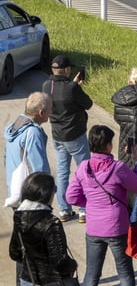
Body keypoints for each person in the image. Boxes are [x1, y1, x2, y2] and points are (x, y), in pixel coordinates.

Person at [65, 125, 137, 286]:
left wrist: (91, 202)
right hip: (117, 225)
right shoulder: (118, 168)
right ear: (108, 145)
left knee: (91, 276)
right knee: (125, 273)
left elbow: (71, 197)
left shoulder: (84, 167)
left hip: (94, 227)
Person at [9, 173, 79, 286]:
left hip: (27, 283)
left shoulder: (19, 217)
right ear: (46, 194)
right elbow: (60, 262)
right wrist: (72, 265)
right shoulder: (51, 223)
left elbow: (14, 253)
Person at [5, 92, 52, 286]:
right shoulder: (32, 133)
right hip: (32, 198)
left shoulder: (16, 125)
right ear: (41, 112)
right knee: (35, 247)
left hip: (17, 194)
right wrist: (48, 195)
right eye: (50, 110)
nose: (51, 113)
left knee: (23, 245)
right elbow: (39, 168)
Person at [42, 55, 93, 223]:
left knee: (63, 171)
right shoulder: (72, 88)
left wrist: (74, 85)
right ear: (66, 70)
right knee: (84, 171)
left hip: (57, 135)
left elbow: (61, 95)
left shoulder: (46, 85)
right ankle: (84, 210)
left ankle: (64, 210)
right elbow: (88, 103)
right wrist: (76, 86)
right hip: (75, 135)